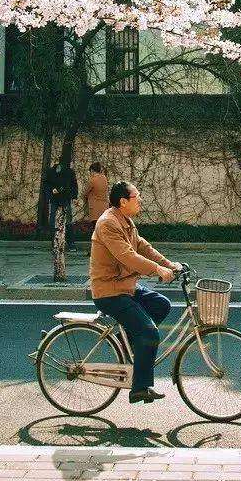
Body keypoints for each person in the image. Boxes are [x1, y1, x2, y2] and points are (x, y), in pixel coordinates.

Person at [90, 181, 182, 404]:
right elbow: (128, 257)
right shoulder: (108, 223)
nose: (140, 200)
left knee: (161, 305)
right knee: (150, 334)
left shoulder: (126, 222)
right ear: (123, 201)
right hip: (109, 291)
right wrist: (158, 270)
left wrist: (170, 265)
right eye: (136, 196)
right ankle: (140, 388)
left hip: (126, 286)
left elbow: (143, 247)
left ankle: (132, 343)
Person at [44, 159, 78, 250]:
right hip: (58, 199)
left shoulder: (67, 172)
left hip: (64, 198)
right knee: (56, 220)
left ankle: (68, 243)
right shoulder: (55, 172)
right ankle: (58, 243)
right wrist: (52, 191)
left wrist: (73, 196)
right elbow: (46, 184)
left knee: (66, 220)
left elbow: (74, 185)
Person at [83, 162, 109, 240]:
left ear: (92, 170)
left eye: (90, 171)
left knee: (95, 230)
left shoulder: (92, 180)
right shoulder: (104, 178)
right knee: (103, 229)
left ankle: (96, 249)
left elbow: (85, 193)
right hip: (104, 207)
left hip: (94, 208)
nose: (90, 173)